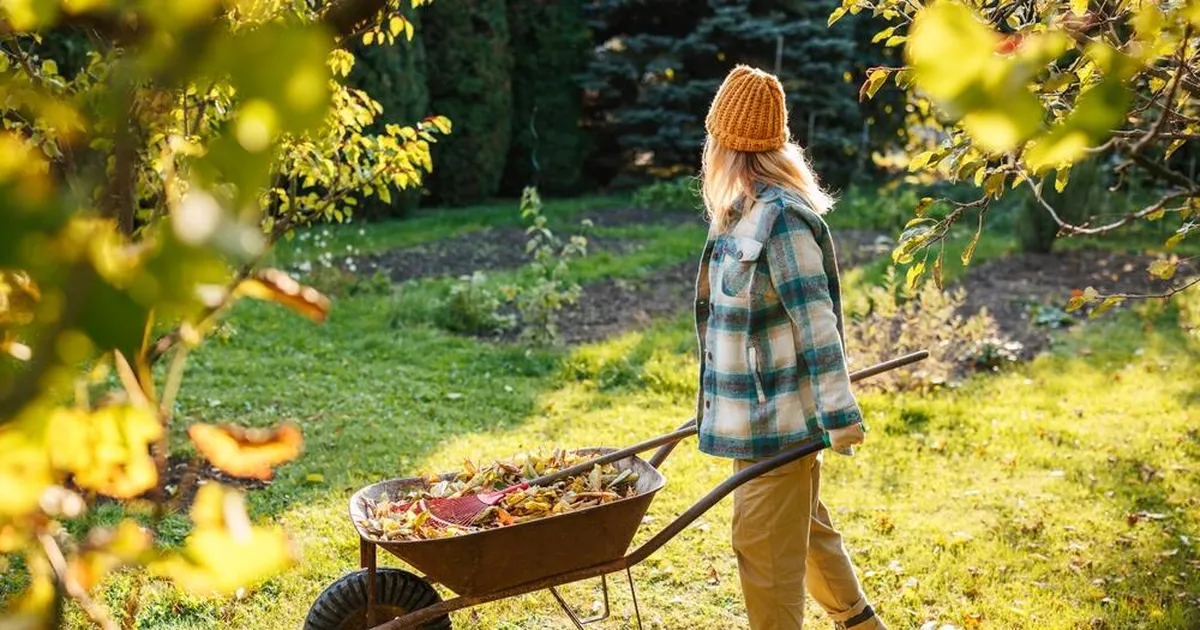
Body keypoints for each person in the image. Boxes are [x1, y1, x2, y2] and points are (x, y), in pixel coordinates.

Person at [693, 65, 887, 630]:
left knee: (765, 552)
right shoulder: (739, 215)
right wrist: (712, 408)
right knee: (805, 533)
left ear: (728, 146)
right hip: (754, 420)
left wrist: (839, 416)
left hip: (778, 423)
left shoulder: (782, 222)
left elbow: (818, 327)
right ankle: (862, 625)